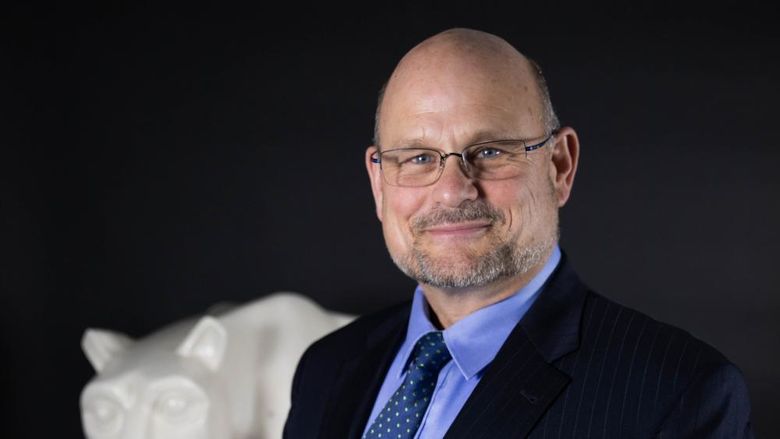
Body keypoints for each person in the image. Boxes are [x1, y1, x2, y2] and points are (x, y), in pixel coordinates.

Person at [283, 28, 754, 438]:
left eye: (489, 151)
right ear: (378, 182)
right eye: (418, 157)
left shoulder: (676, 394)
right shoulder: (327, 368)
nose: (451, 191)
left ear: (559, 166)